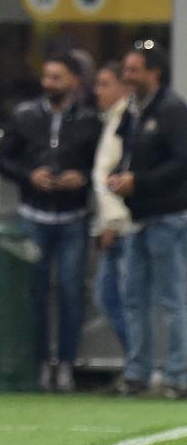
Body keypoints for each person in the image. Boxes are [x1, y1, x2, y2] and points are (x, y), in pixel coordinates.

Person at [0, 52, 100, 392]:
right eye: (47, 76)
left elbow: (101, 164)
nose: (49, 83)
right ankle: (40, 362)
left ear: (74, 81)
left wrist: (82, 177)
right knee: (35, 292)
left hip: (73, 216)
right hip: (34, 214)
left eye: (57, 77)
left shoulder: (89, 119)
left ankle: (66, 364)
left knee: (71, 292)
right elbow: (2, 159)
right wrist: (30, 175)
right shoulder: (25, 115)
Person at [108, 40, 187, 399]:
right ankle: (137, 373)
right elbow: (126, 153)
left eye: (133, 70)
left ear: (154, 72)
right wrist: (118, 178)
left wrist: (139, 181)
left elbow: (182, 162)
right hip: (137, 216)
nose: (127, 76)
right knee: (134, 299)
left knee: (172, 299)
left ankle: (177, 376)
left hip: (168, 216)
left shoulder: (172, 109)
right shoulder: (133, 109)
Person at [90, 62, 131, 362]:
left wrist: (112, 222)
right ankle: (137, 364)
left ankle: (140, 365)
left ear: (123, 88)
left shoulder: (126, 120)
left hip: (123, 226)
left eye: (105, 84)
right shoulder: (111, 119)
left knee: (121, 300)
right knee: (111, 298)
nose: (97, 91)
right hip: (115, 223)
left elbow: (113, 176)